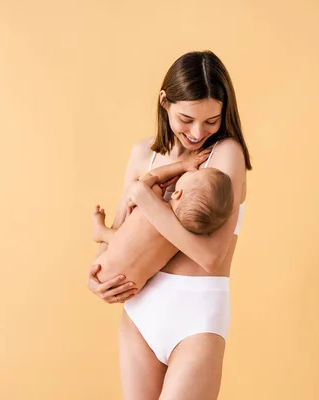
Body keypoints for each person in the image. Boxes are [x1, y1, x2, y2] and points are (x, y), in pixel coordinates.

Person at [87, 50, 252, 400]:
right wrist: (97, 278)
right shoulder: (142, 154)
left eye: (211, 121)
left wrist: (147, 199)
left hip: (196, 314)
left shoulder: (225, 154)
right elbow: (114, 239)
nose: (197, 132)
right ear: (165, 102)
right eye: (186, 118)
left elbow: (210, 255)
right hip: (140, 313)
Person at [91, 147, 234, 293]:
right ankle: (102, 233)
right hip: (130, 286)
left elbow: (151, 176)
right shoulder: (181, 240)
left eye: (194, 174)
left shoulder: (153, 198)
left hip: (104, 270)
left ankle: (101, 232)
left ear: (177, 193)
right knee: (131, 243)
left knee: (125, 239)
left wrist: (182, 165)